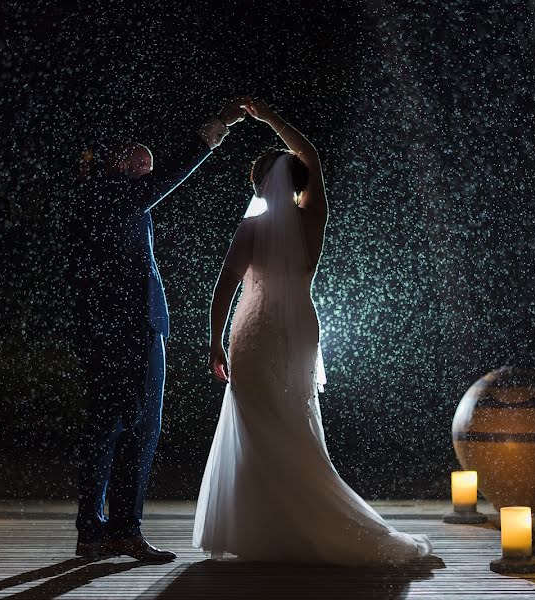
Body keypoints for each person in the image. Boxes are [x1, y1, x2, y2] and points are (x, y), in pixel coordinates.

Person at [193, 98, 432, 565]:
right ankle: (294, 524)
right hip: (299, 330)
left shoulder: (250, 230)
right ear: (297, 183)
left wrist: (214, 340)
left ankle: (264, 530)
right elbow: (312, 155)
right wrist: (271, 119)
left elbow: (223, 288)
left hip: (255, 334)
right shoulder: (313, 220)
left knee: (258, 424)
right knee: (294, 424)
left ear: (261, 184)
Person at [70, 96, 248, 561]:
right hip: (122, 330)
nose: (143, 161)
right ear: (113, 159)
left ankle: (105, 530)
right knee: (122, 426)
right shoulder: (106, 192)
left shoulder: (118, 194)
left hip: (132, 327)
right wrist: (214, 130)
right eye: (133, 154)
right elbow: (170, 171)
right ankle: (110, 529)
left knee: (123, 426)